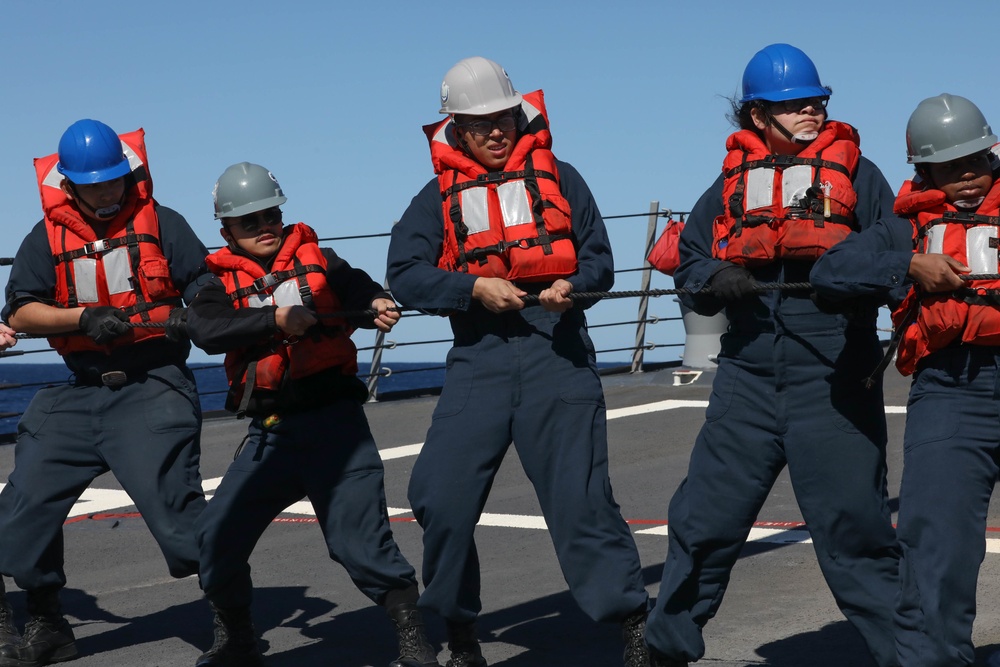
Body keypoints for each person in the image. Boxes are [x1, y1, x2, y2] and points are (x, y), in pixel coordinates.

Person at [386, 56, 651, 667]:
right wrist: (471, 288)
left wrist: (573, 288)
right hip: (479, 358)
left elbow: (599, 261)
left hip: (555, 353)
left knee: (581, 502)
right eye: (479, 124)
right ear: (455, 128)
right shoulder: (434, 199)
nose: (495, 131)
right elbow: (405, 273)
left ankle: (634, 628)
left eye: (503, 117)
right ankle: (460, 634)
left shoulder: (563, 178)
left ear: (519, 113)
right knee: (439, 497)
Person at [643, 44, 901, 667]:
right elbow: (691, 259)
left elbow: (897, 252)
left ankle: (912, 657)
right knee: (702, 526)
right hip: (747, 382)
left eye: (816, 100)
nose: (811, 109)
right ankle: (662, 652)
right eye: (794, 103)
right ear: (758, 116)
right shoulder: (729, 185)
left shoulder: (860, 178)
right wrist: (715, 278)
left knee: (856, 536)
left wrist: (844, 272)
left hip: (834, 380)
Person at [185, 162, 438, 667]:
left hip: (335, 427)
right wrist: (273, 318)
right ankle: (238, 638)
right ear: (226, 232)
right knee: (216, 536)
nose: (264, 227)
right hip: (271, 433)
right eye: (249, 221)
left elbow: (358, 289)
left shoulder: (322, 260)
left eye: (270, 215)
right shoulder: (215, 285)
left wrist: (377, 302)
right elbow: (207, 329)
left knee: (359, 543)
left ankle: (414, 639)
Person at [0, 119, 209, 666]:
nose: (108, 191)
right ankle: (47, 623)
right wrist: (82, 317)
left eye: (115, 179)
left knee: (184, 530)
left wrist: (197, 312)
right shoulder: (44, 236)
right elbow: (21, 308)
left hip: (154, 383)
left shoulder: (162, 221)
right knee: (23, 507)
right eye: (94, 184)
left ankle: (234, 626)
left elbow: (206, 282)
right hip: (81, 389)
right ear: (67, 185)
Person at [811, 93, 1000, 667]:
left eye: (976, 161)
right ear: (924, 171)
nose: (967, 177)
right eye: (949, 167)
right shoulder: (901, 230)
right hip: (951, 392)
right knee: (934, 547)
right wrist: (907, 266)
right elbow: (829, 271)